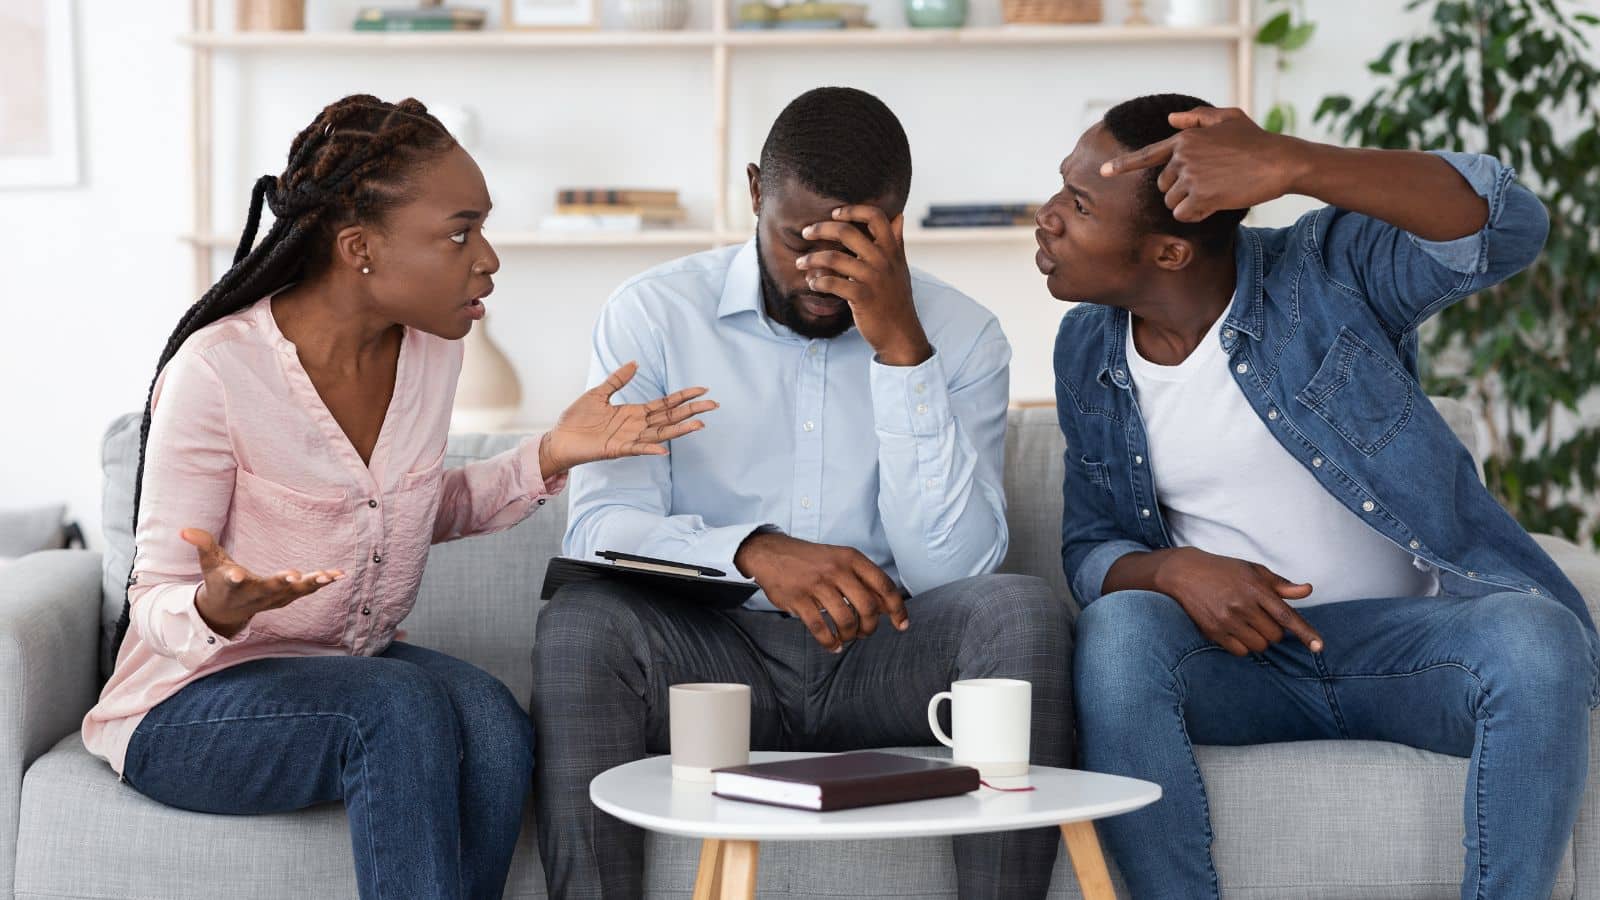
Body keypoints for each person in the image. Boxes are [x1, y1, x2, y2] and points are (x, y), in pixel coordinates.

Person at [84, 94, 715, 900]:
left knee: (490, 719)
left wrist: (552, 452)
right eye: (459, 232)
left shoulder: (427, 352)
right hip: (186, 707)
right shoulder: (216, 373)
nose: (487, 258)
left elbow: (414, 510)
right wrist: (218, 606)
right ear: (360, 249)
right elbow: (156, 600)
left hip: (345, 674)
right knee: (397, 705)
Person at [1040, 92, 1598, 899]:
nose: (1046, 217)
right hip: (1240, 670)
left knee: (1539, 639)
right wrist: (1172, 572)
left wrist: (1293, 162)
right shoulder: (1087, 346)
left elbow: (1507, 229)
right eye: (1061, 190)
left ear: (1168, 254)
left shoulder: (1326, 272)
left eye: (1078, 204)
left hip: (1416, 658)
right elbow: (1090, 548)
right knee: (1120, 632)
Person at [531, 86, 1073, 900]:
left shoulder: (962, 337)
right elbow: (601, 527)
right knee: (581, 626)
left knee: (1022, 611)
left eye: (857, 241)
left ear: (898, 219)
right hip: (713, 656)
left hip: (884, 653)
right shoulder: (654, 315)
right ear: (755, 192)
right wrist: (750, 552)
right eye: (799, 240)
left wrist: (902, 353)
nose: (824, 274)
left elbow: (956, 568)